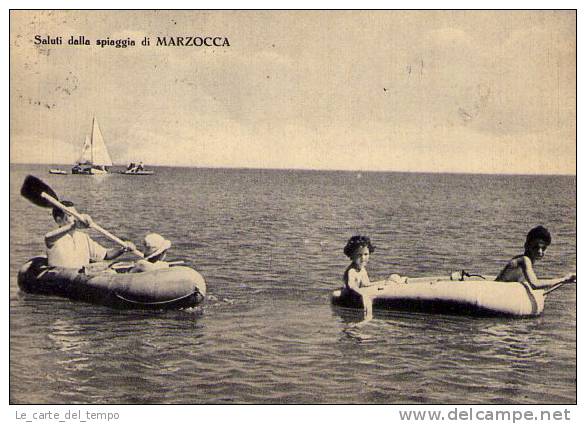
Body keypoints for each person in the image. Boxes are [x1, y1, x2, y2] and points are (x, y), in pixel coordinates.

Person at [44, 200, 136, 270]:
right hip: (62, 277)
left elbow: (106, 255)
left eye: (76, 214)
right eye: (71, 215)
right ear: (59, 220)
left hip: (80, 277)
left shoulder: (83, 237)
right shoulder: (53, 239)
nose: (76, 217)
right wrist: (74, 225)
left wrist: (123, 249)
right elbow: (48, 237)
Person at [495, 225, 575, 289]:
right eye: (536, 247)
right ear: (526, 246)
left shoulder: (525, 260)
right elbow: (535, 284)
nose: (540, 251)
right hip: (495, 291)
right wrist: (564, 279)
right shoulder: (524, 260)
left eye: (543, 248)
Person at [342, 235, 377, 317]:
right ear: (351, 256)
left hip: (358, 296)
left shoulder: (362, 269)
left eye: (366, 254)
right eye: (359, 255)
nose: (363, 258)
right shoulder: (352, 271)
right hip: (351, 299)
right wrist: (363, 295)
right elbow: (351, 286)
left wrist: (385, 282)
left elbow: (366, 284)